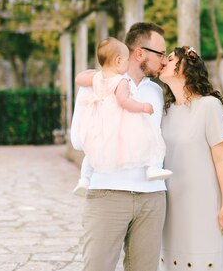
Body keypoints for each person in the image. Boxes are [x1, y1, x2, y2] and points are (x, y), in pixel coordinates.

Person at [70, 22, 170, 271]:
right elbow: (77, 139)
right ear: (140, 53)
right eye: (160, 54)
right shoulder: (97, 83)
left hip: (152, 197)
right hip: (108, 193)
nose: (164, 60)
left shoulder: (155, 92)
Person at [158, 45, 223, 271]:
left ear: (185, 68)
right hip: (170, 204)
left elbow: (222, 159)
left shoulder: (209, 106)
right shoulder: (166, 110)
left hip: (204, 204)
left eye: (171, 59)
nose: (164, 62)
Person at [72, 37, 172, 196]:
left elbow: (78, 79)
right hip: (118, 120)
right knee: (149, 137)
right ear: (118, 61)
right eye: (126, 60)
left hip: (98, 122)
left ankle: (84, 179)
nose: (127, 64)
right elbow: (125, 101)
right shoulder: (122, 81)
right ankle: (153, 168)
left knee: (92, 152)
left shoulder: (97, 77)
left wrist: (97, 72)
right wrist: (143, 107)